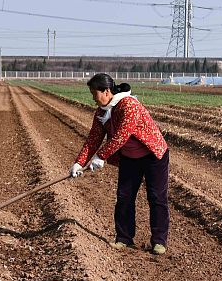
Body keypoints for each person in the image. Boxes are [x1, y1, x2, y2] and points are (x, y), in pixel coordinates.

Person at [70, 73, 170, 255]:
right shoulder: (101, 112)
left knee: (156, 197)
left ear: (107, 91)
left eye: (95, 94)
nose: (93, 98)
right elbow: (93, 138)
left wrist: (101, 156)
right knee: (124, 197)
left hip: (153, 154)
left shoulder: (129, 105)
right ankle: (124, 238)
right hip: (129, 157)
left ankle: (159, 242)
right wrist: (79, 162)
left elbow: (122, 135)